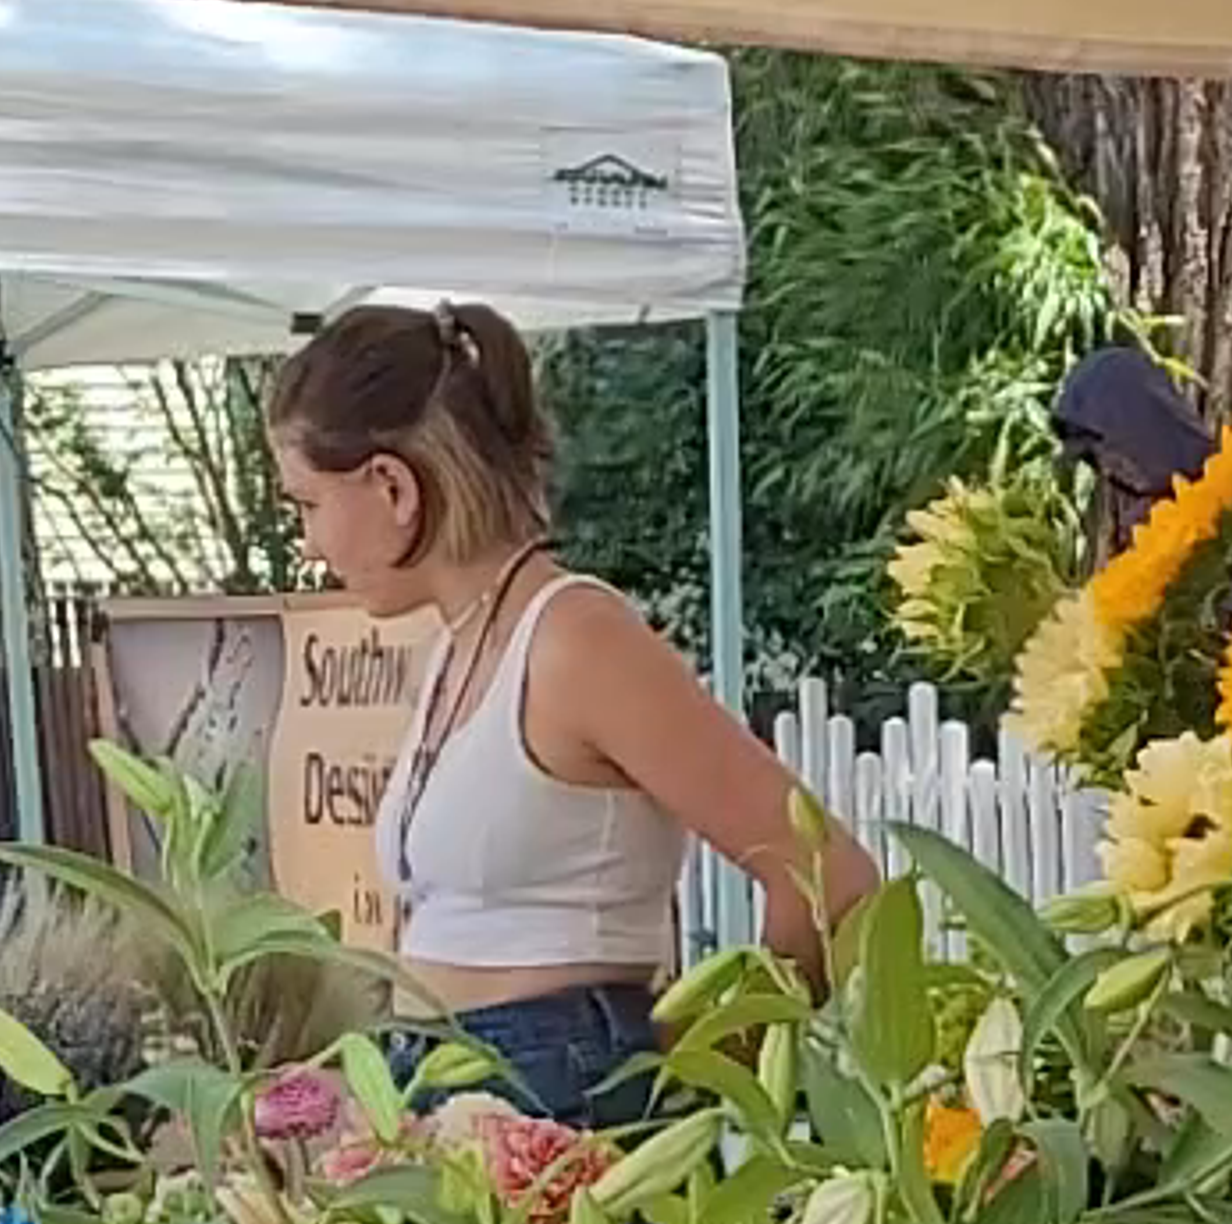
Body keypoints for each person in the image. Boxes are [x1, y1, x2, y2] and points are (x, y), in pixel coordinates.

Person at [264, 296, 872, 1121]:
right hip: (447, 1092)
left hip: (565, 1096)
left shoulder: (577, 641)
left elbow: (829, 880)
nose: (309, 544)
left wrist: (688, 1072)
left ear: (392, 486)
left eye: (306, 504)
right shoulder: (460, 644)